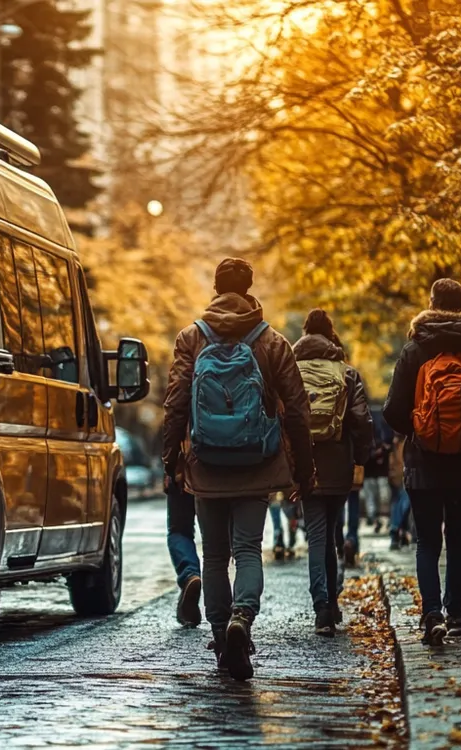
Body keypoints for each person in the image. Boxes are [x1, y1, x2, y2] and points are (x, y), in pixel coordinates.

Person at [162, 258, 314, 681]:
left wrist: (170, 459)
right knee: (248, 549)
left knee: (213, 555)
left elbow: (175, 404)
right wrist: (305, 470)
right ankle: (241, 620)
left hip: (205, 463)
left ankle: (219, 634)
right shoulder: (272, 342)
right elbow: (298, 410)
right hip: (257, 462)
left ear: (215, 289)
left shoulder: (191, 337)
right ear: (249, 290)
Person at [383, 279, 461, 647]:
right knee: (457, 539)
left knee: (427, 542)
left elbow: (392, 410)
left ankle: (432, 614)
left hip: (423, 464)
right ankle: (456, 614)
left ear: (431, 303)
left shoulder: (414, 350)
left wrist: (420, 431)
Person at [294, 310, 374, 636]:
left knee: (316, 535)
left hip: (305, 463)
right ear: (331, 335)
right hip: (339, 462)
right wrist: (361, 458)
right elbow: (362, 420)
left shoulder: (292, 371)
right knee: (334, 532)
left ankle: (321, 609)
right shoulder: (346, 372)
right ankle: (334, 598)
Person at [166, 471, 203, 628]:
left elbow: (170, 445)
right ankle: (238, 608)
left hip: (186, 468)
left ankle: (190, 574)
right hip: (236, 473)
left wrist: (170, 470)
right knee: (220, 542)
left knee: (179, 530)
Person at [268, 494, 299, 560]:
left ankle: (285, 545)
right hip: (279, 498)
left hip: (286, 497)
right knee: (279, 523)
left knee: (289, 521)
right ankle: (283, 545)